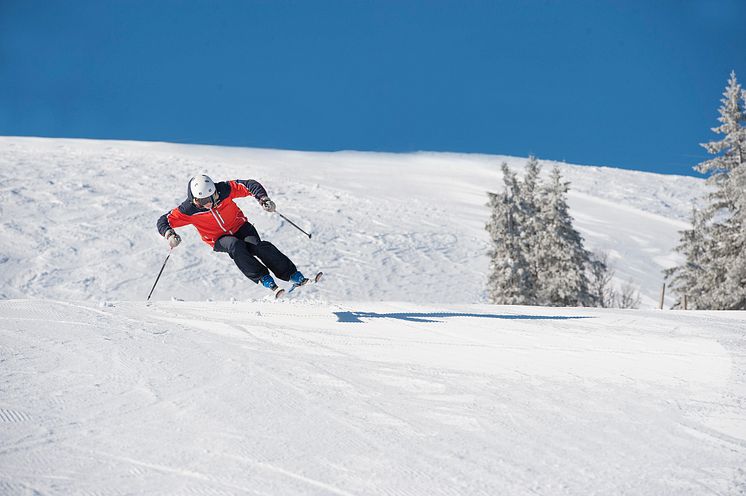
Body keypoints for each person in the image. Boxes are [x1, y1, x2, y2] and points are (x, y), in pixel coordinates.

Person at [157, 174, 309, 296]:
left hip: (241, 226)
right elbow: (164, 220)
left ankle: (292, 275)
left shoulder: (224, 189)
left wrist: (263, 199)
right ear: (194, 199)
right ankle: (263, 278)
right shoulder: (188, 210)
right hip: (218, 239)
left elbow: (249, 184)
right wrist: (170, 234)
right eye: (203, 200)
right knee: (235, 245)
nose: (209, 203)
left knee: (258, 246)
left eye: (212, 197)